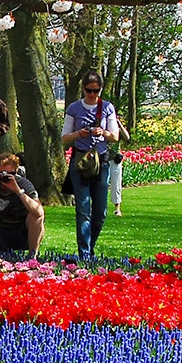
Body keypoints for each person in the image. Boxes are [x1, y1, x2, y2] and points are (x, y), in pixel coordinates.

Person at [61, 72, 120, 261]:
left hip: (101, 160)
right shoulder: (74, 108)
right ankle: (84, 254)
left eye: (96, 91)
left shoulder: (108, 108)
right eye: (89, 91)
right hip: (80, 162)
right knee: (83, 208)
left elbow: (115, 136)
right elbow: (64, 139)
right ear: (83, 89)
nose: (93, 95)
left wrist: (103, 132)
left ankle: (90, 246)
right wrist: (80, 133)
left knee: (100, 211)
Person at [108, 113, 130, 217]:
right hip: (103, 159)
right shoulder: (104, 128)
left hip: (115, 160)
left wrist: (119, 124)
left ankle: (117, 208)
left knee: (116, 184)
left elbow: (127, 137)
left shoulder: (118, 131)